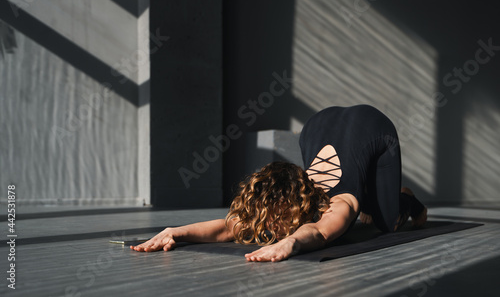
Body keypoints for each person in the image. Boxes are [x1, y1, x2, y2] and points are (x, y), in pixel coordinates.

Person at [131, 105, 427, 262]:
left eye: (278, 221)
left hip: (373, 126)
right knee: (368, 210)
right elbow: (228, 227)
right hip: (316, 125)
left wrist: (292, 242)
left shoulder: (340, 204)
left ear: (295, 205)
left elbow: (320, 233)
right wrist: (175, 232)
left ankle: (406, 198)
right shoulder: (282, 199)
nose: (272, 228)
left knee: (386, 222)